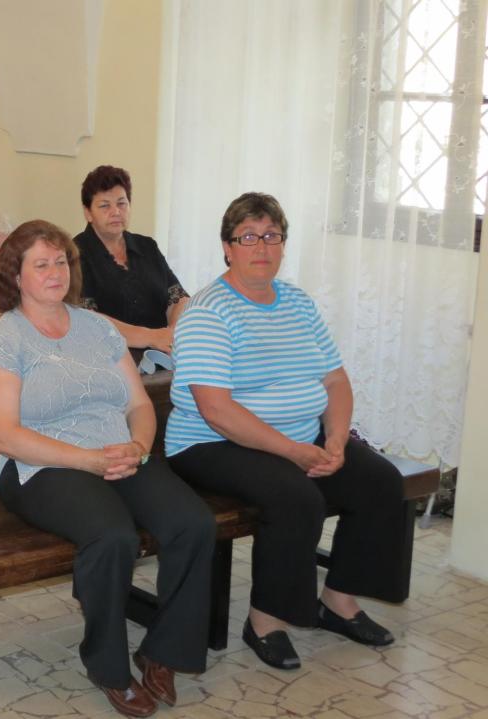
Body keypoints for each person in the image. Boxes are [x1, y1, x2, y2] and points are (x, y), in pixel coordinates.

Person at [0, 220, 214, 718]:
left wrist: (138, 447)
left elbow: (138, 404)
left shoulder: (98, 328)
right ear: (16, 275)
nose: (55, 272)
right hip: (39, 466)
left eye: (60, 261)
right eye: (41, 264)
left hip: (117, 452)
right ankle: (108, 666)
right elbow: (2, 435)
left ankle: (163, 651)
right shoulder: (4, 339)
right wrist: (89, 460)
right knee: (112, 536)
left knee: (193, 523)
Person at [166, 192, 406, 671]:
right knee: (296, 497)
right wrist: (293, 452)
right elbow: (216, 410)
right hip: (211, 443)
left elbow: (335, 380)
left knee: (381, 481)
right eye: (248, 237)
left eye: (272, 236)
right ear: (227, 248)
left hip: (298, 436)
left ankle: (338, 600)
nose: (262, 247)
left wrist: (336, 437)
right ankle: (265, 621)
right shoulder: (208, 311)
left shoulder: (297, 302)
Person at [75, 166, 188, 353]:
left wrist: (172, 331)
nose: (116, 212)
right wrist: (151, 337)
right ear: (88, 213)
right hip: (111, 360)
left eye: (122, 203)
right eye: (104, 205)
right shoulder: (75, 254)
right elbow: (87, 320)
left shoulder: (147, 246)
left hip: (164, 355)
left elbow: (178, 298)